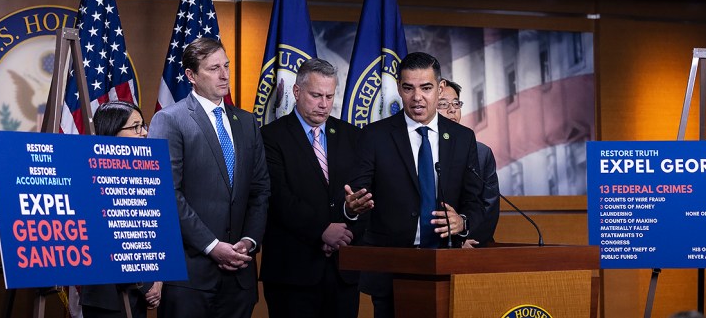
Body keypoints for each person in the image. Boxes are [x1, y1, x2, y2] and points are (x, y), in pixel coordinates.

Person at [344, 52, 483, 318]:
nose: (417, 97)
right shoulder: (374, 136)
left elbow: (474, 202)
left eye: (426, 88)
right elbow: (357, 197)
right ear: (399, 88)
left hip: (447, 267)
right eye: (408, 88)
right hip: (391, 270)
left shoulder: (462, 138)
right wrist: (352, 208)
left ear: (440, 88)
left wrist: (462, 222)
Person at [148, 37, 270, 318]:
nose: (225, 74)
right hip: (190, 277)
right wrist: (213, 246)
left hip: (239, 276)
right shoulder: (170, 119)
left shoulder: (248, 122)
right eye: (214, 68)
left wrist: (249, 241)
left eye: (226, 65)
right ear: (191, 75)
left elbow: (260, 189)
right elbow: (168, 193)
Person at [260, 58, 365, 318]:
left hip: (342, 271)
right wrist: (322, 231)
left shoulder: (352, 136)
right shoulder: (270, 136)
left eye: (329, 96)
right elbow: (279, 197)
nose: (323, 104)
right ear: (297, 92)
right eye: (316, 95)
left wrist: (346, 223)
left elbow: (361, 193)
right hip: (292, 273)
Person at [81, 101, 162, 317]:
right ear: (112, 132)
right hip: (105, 298)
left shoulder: (150, 175)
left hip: (141, 296)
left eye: (143, 125)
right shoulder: (88, 178)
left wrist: (158, 282)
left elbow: (158, 232)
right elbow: (103, 240)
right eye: (136, 127)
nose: (144, 133)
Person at [437, 79, 500, 247]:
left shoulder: (482, 153)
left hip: (473, 245)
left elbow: (489, 207)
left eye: (456, 104)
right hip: (433, 245)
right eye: (443, 104)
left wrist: (465, 236)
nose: (452, 110)